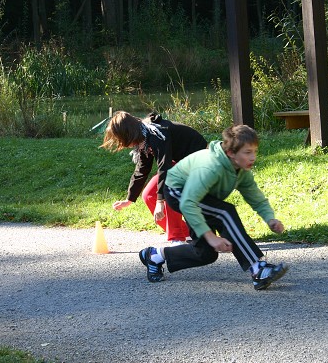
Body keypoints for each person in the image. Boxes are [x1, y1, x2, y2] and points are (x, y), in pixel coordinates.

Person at [138, 124, 288, 290]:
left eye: (254, 151)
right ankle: (257, 268)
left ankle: (155, 255)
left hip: (199, 196)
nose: (253, 157)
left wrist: (270, 218)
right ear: (231, 153)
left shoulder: (240, 169)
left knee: (205, 254)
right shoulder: (211, 167)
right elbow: (188, 203)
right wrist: (211, 236)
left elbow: (254, 196)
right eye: (247, 152)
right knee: (225, 212)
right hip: (177, 191)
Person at [100, 111, 208, 244]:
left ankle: (176, 238)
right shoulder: (144, 137)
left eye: (120, 138)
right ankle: (187, 233)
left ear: (128, 133)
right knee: (148, 195)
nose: (120, 143)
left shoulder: (157, 134)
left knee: (169, 191)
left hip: (199, 160)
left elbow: (165, 167)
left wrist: (160, 202)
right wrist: (129, 199)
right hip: (180, 162)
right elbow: (142, 169)